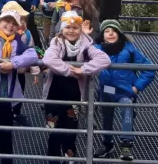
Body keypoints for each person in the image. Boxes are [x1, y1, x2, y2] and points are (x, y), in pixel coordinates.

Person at [42, 9, 110, 159]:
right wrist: (71, 71)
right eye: (67, 27)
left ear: (80, 30)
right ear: (62, 29)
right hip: (53, 96)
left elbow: (104, 59)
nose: (71, 31)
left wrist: (83, 69)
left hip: (74, 98)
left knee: (70, 134)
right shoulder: (57, 43)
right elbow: (48, 59)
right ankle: (53, 160)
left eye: (75, 28)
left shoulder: (86, 46)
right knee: (53, 132)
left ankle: (70, 159)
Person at [0, 9, 40, 164]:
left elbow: (32, 54)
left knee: (6, 134)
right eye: (7, 21)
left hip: (8, 98)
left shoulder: (17, 41)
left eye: (13, 23)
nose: (10, 25)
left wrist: (12, 64)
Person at [94, 20, 154, 161]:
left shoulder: (129, 49)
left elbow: (149, 69)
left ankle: (126, 145)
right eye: (107, 31)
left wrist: (136, 87)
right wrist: (85, 35)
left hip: (125, 91)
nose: (110, 34)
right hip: (107, 89)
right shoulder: (97, 49)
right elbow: (83, 52)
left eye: (114, 31)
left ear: (119, 34)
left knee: (127, 110)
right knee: (106, 116)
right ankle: (107, 144)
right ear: (102, 36)